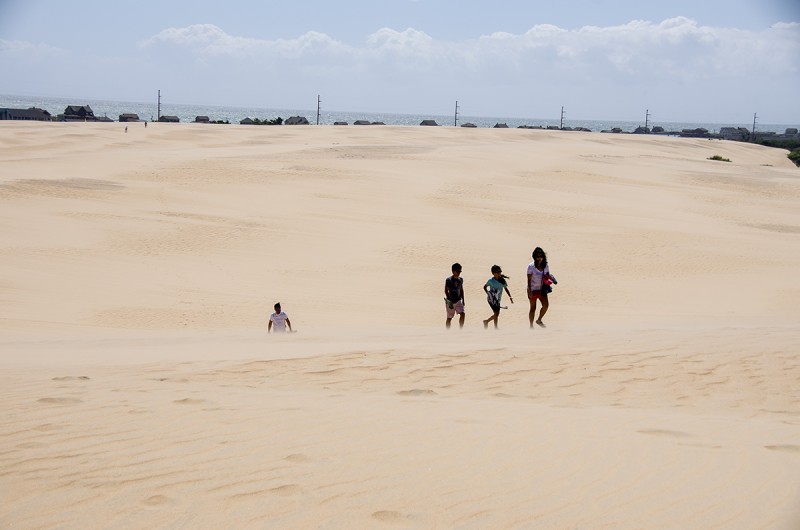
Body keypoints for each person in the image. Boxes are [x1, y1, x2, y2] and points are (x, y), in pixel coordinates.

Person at [527, 247, 552, 328]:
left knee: (546, 305)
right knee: (533, 308)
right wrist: (530, 290)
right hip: (533, 289)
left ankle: (539, 320)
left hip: (542, 289)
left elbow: (547, 275)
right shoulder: (531, 266)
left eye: (541, 256)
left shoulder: (545, 265)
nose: (539, 258)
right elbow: (529, 279)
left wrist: (550, 280)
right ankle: (531, 326)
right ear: (534, 257)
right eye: (537, 256)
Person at [483, 265, 513, 329]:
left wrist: (510, 297)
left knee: (496, 314)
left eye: (500, 272)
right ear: (493, 273)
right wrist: (489, 294)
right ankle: (495, 327)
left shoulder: (502, 280)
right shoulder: (491, 280)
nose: (499, 273)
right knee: (496, 313)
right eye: (497, 272)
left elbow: (506, 288)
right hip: (491, 299)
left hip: (498, 299)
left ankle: (486, 321)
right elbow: (484, 287)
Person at [444, 262, 465, 329]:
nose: (459, 273)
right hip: (450, 302)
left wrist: (463, 300)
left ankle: (460, 329)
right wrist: (449, 301)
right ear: (453, 271)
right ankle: (447, 331)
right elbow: (446, 291)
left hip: (458, 300)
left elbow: (461, 290)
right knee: (449, 318)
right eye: (458, 271)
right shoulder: (449, 280)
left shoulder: (461, 279)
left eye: (460, 271)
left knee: (463, 314)